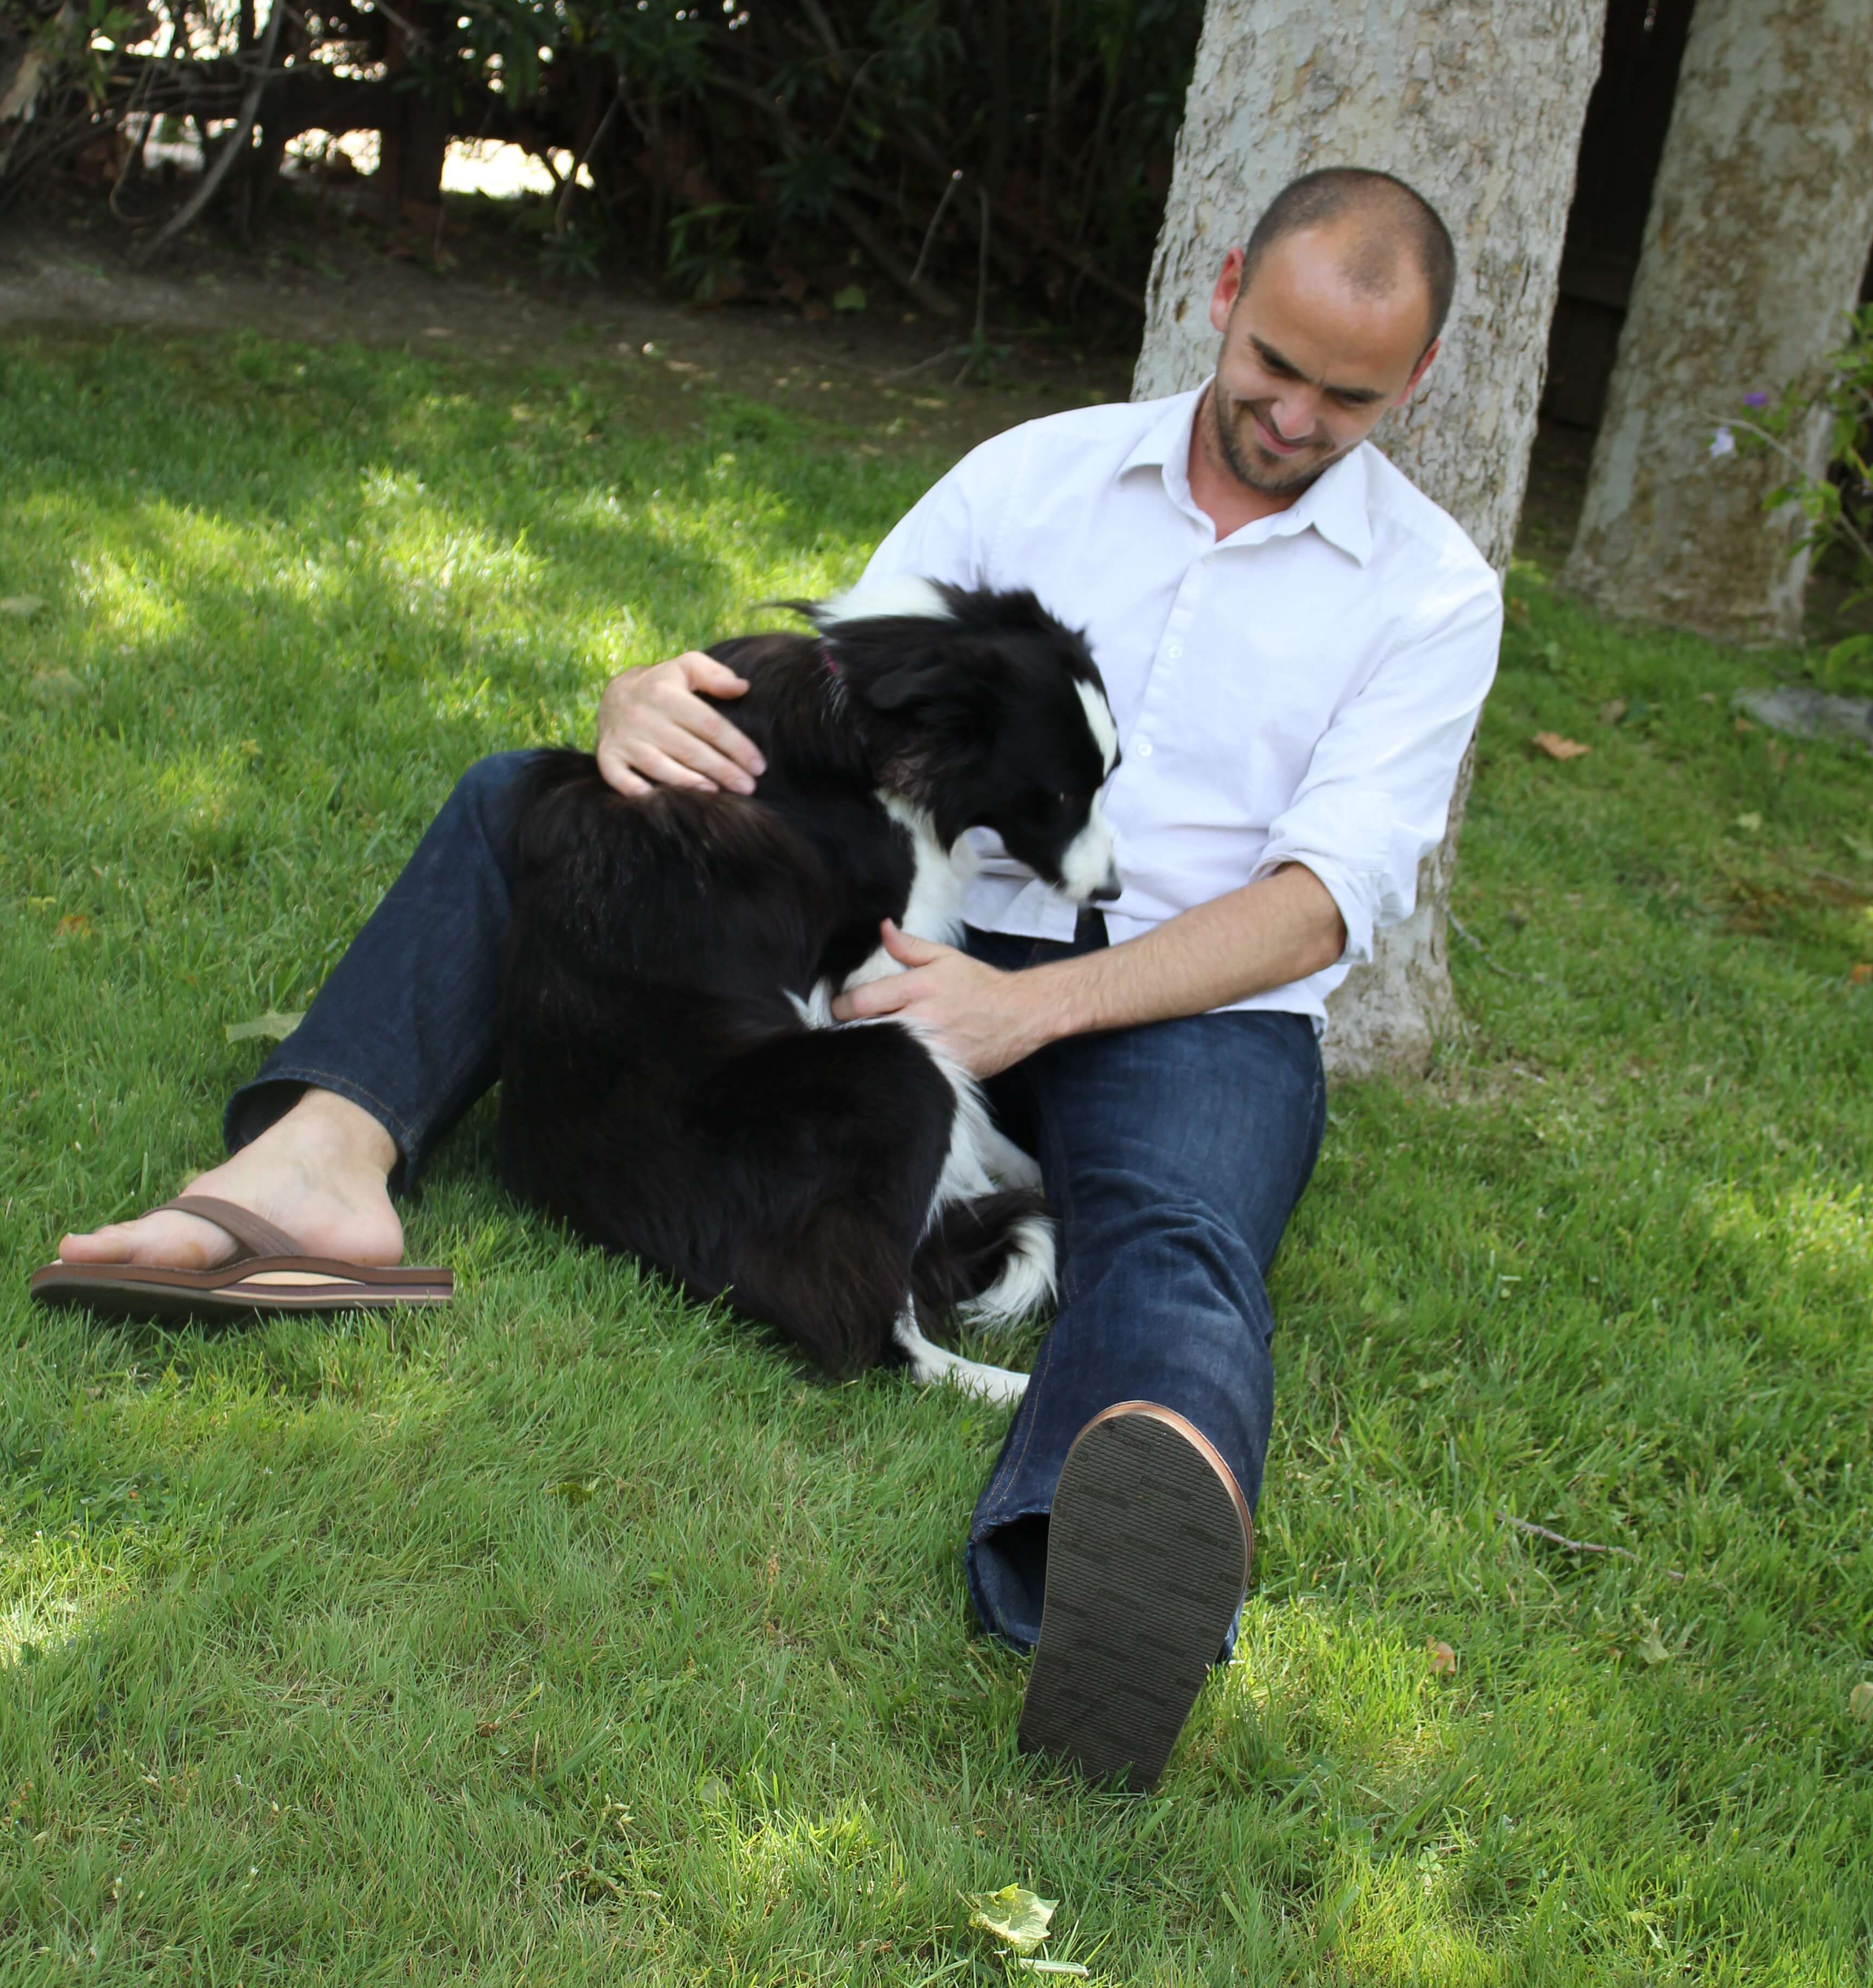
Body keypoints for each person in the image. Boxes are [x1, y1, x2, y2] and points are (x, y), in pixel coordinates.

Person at [45, 165, 1502, 1790]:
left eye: (1348, 395)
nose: (1295, 416)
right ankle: (318, 1172)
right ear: (1224, 289)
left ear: (1421, 380)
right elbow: (828, 692)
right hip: (900, 927)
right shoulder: (1042, 473)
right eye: (1273, 366)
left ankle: (1085, 1564)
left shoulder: (1432, 596)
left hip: (1189, 1002)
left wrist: (1025, 1011)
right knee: (515, 797)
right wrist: (633, 703)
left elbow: (1319, 907)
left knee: (1181, 1232)